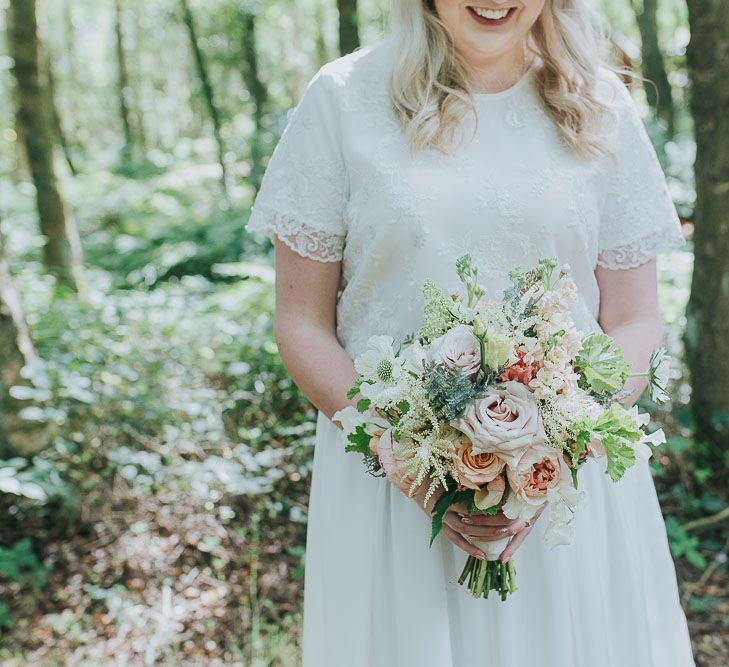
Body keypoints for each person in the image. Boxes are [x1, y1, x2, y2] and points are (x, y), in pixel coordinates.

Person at [245, 1, 696, 665]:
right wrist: (394, 448)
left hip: (564, 491)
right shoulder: (340, 102)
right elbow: (300, 321)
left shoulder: (598, 105)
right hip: (392, 486)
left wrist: (557, 448)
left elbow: (632, 317)